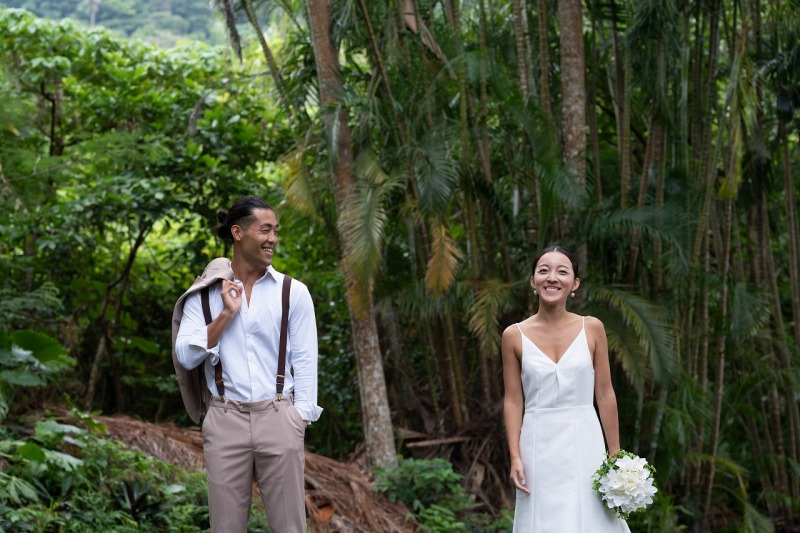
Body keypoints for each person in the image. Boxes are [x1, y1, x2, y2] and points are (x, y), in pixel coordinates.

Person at [171, 196, 322, 533]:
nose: (273, 239)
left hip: (279, 416)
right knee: (225, 528)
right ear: (238, 233)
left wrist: (301, 417)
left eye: (275, 231)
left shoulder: (293, 292)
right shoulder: (204, 295)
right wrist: (226, 314)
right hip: (225, 419)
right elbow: (185, 355)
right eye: (265, 230)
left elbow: (305, 358)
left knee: (290, 528)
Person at [502, 245, 630, 532]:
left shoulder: (592, 327)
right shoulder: (513, 335)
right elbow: (512, 400)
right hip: (538, 443)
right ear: (533, 281)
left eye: (562, 271)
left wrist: (614, 452)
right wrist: (515, 456)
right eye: (544, 270)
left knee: (592, 518)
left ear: (574, 284)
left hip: (585, 439)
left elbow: (605, 393)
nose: (552, 277)